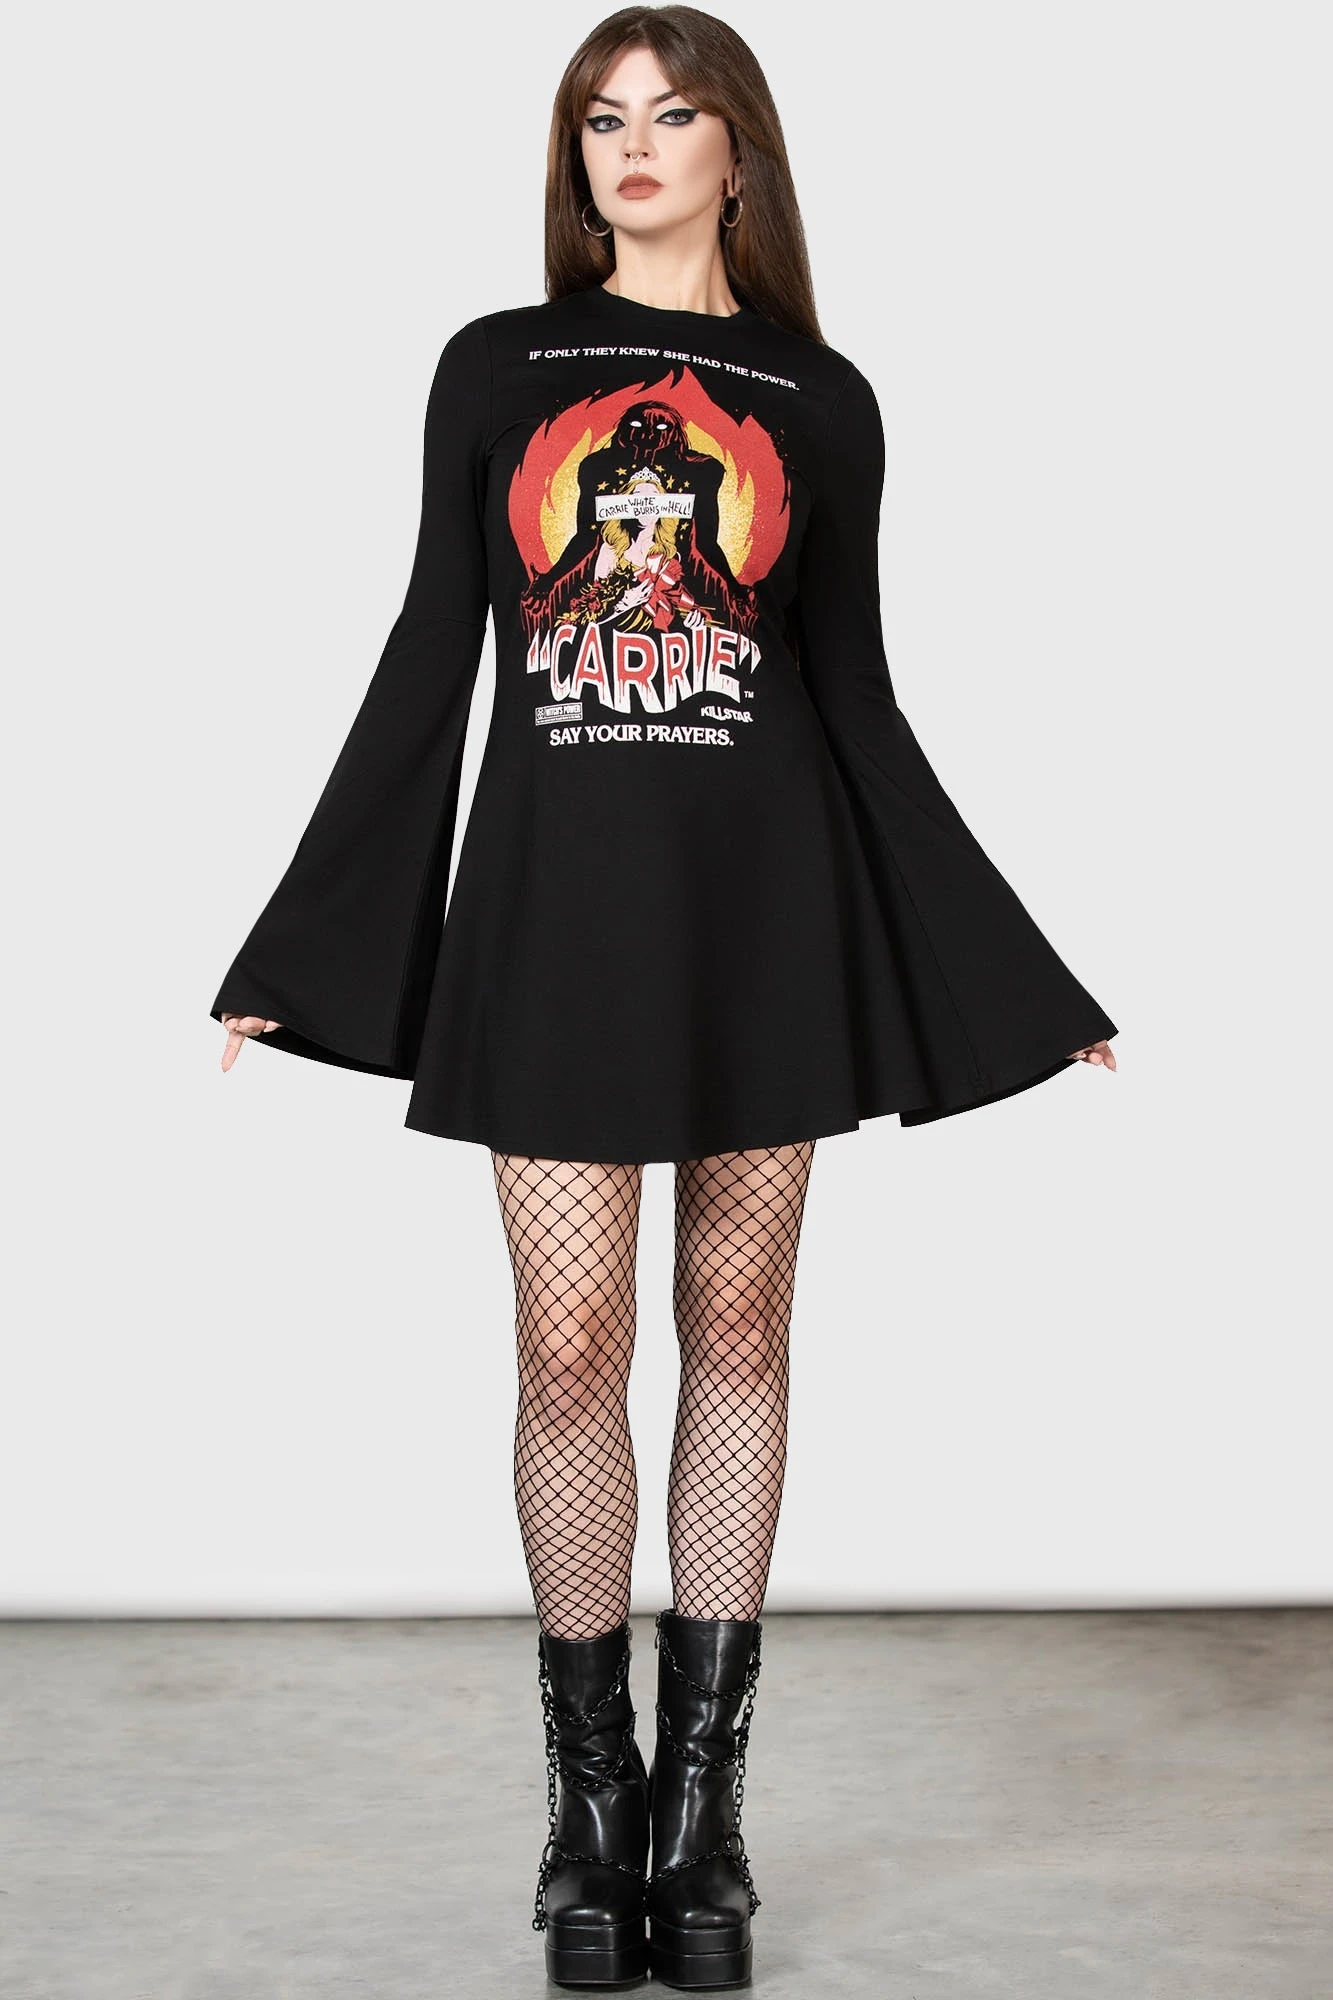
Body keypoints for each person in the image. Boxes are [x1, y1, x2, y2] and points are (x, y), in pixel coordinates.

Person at [210, 6, 1118, 1988]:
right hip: (555, 910)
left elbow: (855, 693)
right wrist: (302, 938)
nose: (633, 146)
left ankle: (705, 1821)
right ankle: (587, 1807)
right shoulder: (495, 367)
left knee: (739, 1326)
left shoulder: (820, 398)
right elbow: (433, 650)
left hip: (763, 907)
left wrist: (1008, 962)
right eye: (600, 120)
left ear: (737, 153)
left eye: (672, 114)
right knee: (568, 1344)